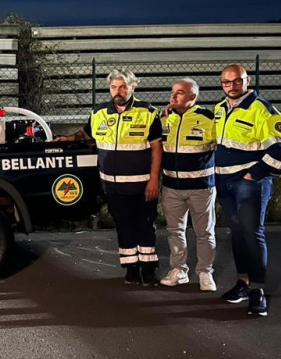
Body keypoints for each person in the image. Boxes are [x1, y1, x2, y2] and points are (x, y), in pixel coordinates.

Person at [55, 68, 163, 286]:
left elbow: (157, 149)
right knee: (123, 226)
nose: (118, 91)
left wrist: (154, 179)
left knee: (145, 225)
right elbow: (85, 134)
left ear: (133, 87)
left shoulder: (148, 112)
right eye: (114, 87)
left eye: (123, 86)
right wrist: (66, 138)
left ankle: (148, 270)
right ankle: (131, 269)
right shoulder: (99, 113)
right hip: (112, 185)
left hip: (142, 184)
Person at [215, 64, 281, 316]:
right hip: (225, 184)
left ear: (247, 80)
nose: (232, 86)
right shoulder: (219, 109)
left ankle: (258, 290)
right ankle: (243, 283)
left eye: (237, 81)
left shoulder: (263, 109)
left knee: (252, 234)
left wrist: (253, 174)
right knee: (237, 234)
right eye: (227, 82)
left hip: (250, 184)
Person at [159, 79, 217, 291]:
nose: (173, 96)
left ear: (193, 97)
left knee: (205, 233)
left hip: (201, 187)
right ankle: (179, 271)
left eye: (180, 93)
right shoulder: (164, 118)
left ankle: (205, 273)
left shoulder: (209, 118)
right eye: (173, 92)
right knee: (175, 232)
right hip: (171, 188)